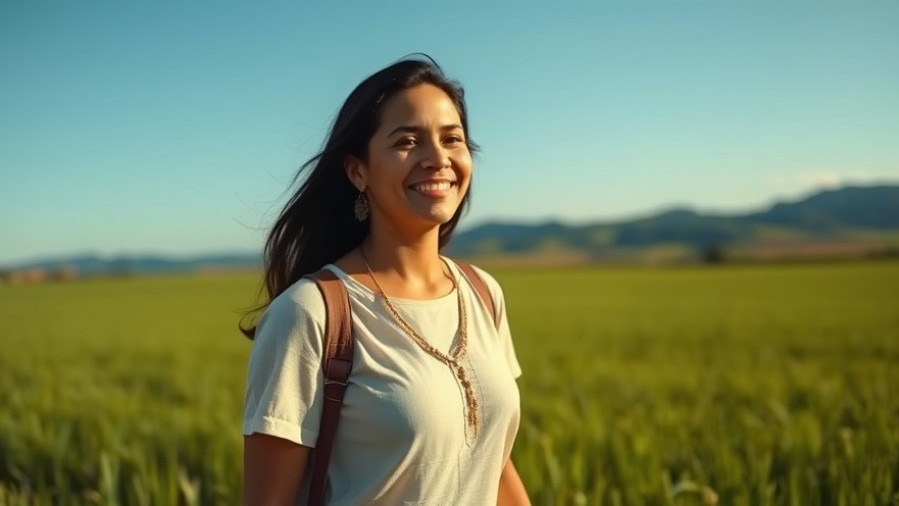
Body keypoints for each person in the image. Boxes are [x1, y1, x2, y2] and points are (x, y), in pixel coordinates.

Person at [241, 55, 529, 505]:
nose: (437, 159)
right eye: (408, 141)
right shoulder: (311, 314)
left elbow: (492, 464)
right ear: (358, 171)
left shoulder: (483, 293)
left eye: (452, 139)